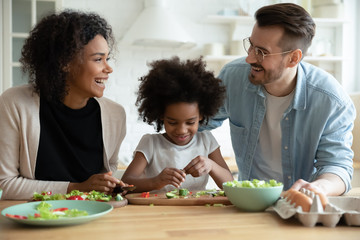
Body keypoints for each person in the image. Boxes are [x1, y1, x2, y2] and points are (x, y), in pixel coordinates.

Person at [202, 3, 356, 196]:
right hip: (249, 201)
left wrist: (318, 188)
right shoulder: (233, 77)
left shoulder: (332, 101)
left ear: (293, 58)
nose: (249, 58)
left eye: (261, 52)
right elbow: (197, 124)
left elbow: (337, 167)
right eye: (251, 45)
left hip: (300, 206)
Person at [0, 10, 127, 200]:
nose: (108, 68)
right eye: (98, 59)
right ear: (64, 62)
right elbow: (5, 184)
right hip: (35, 218)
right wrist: (77, 187)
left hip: (95, 217)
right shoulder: (15, 103)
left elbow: (106, 174)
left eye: (107, 59)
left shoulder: (115, 115)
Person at [121, 57, 233, 193]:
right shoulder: (150, 143)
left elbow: (231, 184)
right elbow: (126, 183)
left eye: (190, 122)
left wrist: (212, 166)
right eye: (172, 122)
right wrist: (156, 181)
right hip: (158, 212)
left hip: (197, 211)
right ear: (161, 115)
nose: (181, 130)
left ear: (201, 115)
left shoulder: (207, 141)